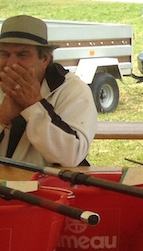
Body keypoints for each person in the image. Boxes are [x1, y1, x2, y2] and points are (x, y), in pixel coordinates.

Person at [0, 14, 95, 167]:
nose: (11, 64)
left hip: (48, 182)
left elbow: (71, 155)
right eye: (4, 54)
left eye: (22, 54)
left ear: (45, 59)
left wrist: (33, 105)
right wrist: (2, 119)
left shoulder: (72, 90)